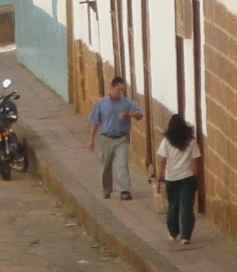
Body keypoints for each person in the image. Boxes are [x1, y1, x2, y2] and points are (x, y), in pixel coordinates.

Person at [84, 76, 144, 200]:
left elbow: (139, 114)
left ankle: (124, 190)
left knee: (122, 164)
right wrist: (91, 139)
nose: (120, 92)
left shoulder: (127, 103)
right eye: (118, 89)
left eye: (122, 90)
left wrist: (128, 114)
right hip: (106, 138)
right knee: (106, 165)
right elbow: (95, 122)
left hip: (121, 138)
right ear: (111, 88)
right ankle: (106, 190)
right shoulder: (101, 103)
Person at [155, 113, 202, 247]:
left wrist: (159, 179)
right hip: (187, 178)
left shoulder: (166, 142)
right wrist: (196, 178)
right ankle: (186, 236)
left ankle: (173, 231)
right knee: (187, 207)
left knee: (173, 206)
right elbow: (195, 162)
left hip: (171, 178)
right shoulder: (191, 142)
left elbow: (162, 161)